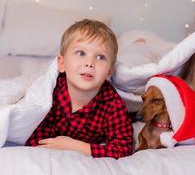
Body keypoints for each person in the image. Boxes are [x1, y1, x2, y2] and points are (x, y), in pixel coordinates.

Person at [25, 19, 133, 158]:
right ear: (62, 64)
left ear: (109, 71)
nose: (89, 63)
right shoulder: (50, 93)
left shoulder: (112, 104)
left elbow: (123, 148)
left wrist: (78, 147)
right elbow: (33, 134)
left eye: (100, 57)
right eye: (81, 53)